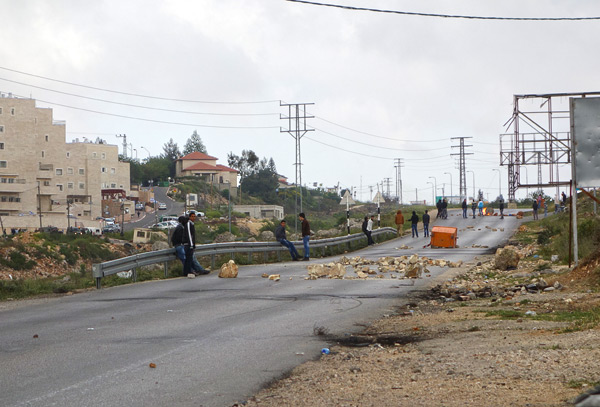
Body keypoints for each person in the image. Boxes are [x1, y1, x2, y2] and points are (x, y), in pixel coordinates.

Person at [182, 211, 197, 275]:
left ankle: (188, 271)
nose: (193, 218)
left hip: (190, 244)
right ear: (189, 217)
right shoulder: (188, 224)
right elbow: (189, 235)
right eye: (192, 216)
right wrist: (191, 245)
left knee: (189, 259)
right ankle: (186, 272)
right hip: (188, 245)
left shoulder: (192, 224)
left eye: (194, 216)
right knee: (188, 259)